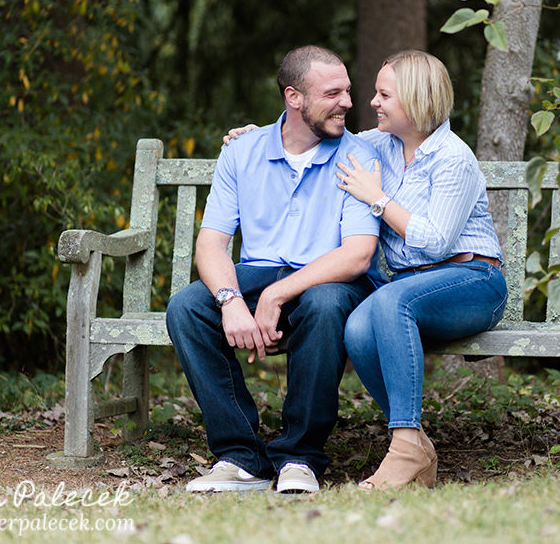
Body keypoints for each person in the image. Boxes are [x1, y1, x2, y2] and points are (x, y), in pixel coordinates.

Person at [165, 45, 381, 494]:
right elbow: (212, 243)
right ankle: (241, 457)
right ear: (294, 97)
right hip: (257, 275)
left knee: (324, 303)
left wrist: (276, 295)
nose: (347, 102)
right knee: (187, 307)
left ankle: (300, 457)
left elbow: (358, 255)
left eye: (348, 91)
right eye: (333, 93)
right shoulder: (243, 151)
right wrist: (229, 302)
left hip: (328, 278)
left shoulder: (358, 156)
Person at [335, 50, 508, 490]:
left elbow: (435, 241)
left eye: (384, 94)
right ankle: (414, 448)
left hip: (473, 282)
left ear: (415, 100)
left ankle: (404, 447)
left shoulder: (453, 157)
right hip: (412, 291)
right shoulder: (379, 144)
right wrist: (259, 134)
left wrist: (378, 198)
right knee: (356, 328)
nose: (373, 102)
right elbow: (323, 136)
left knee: (389, 301)